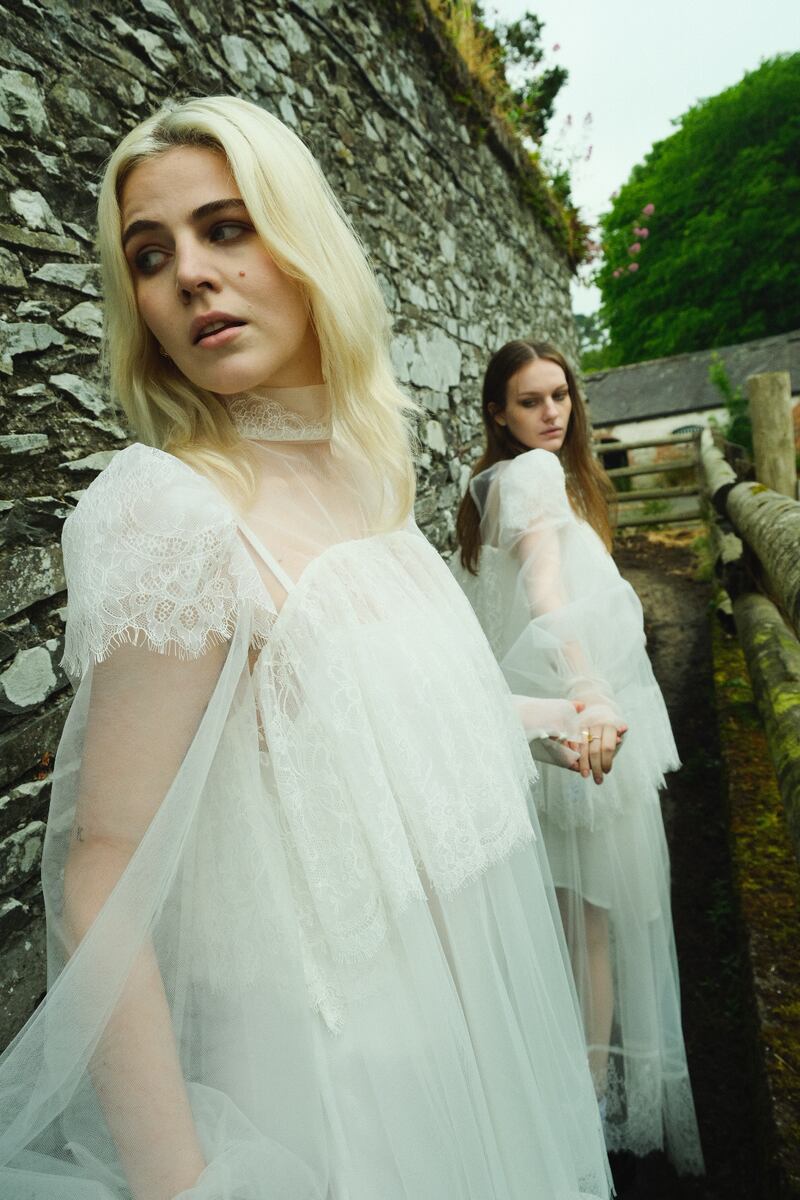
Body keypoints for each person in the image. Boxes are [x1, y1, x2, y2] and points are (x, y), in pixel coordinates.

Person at [0, 100, 612, 1200]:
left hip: (470, 1039)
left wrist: (543, 727)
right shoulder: (170, 513)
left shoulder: (361, 477)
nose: (188, 273)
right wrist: (178, 1180)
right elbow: (101, 869)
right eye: (151, 255)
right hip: (332, 1090)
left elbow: (376, 726)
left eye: (226, 228)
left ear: (304, 243)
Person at [451, 339, 704, 1177]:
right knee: (588, 928)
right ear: (498, 412)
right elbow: (545, 590)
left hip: (555, 726)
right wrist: (589, 687)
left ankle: (569, 1096)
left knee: (569, 923)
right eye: (531, 401)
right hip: (576, 727)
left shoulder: (518, 483)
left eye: (560, 395)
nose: (553, 413)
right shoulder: (528, 478)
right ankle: (585, 1116)